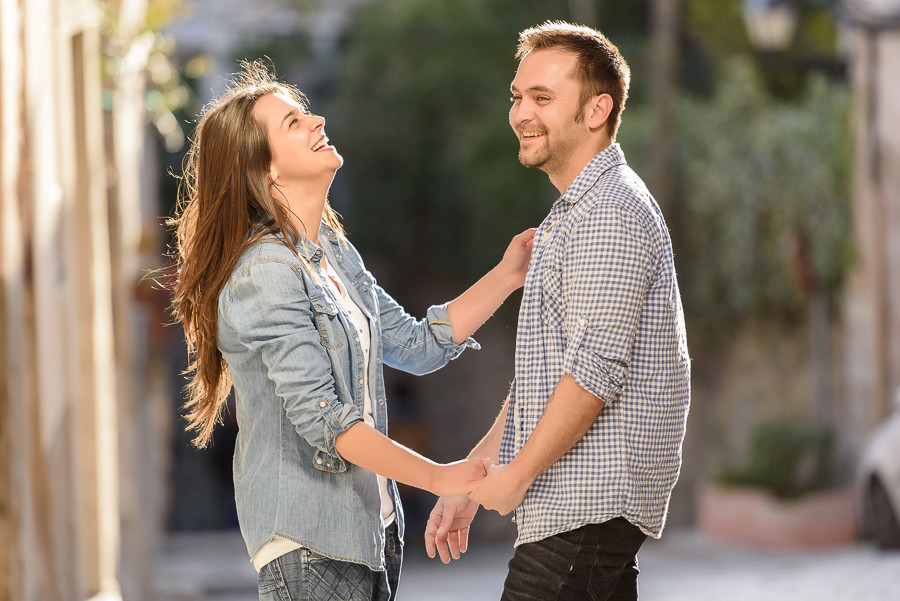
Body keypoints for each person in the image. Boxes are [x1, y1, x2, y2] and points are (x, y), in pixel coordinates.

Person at [170, 61, 535, 601]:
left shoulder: (333, 256)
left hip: (369, 534)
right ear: (263, 170)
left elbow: (416, 344)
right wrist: (439, 477)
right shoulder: (265, 274)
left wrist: (509, 274)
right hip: (310, 542)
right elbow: (329, 423)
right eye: (292, 124)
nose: (317, 121)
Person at [425, 21, 691, 601]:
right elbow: (545, 379)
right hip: (579, 509)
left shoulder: (609, 213)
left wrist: (514, 479)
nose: (521, 113)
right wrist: (475, 474)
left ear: (598, 110)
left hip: (587, 505)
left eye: (542, 98)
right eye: (518, 97)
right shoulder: (570, 217)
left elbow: (593, 375)